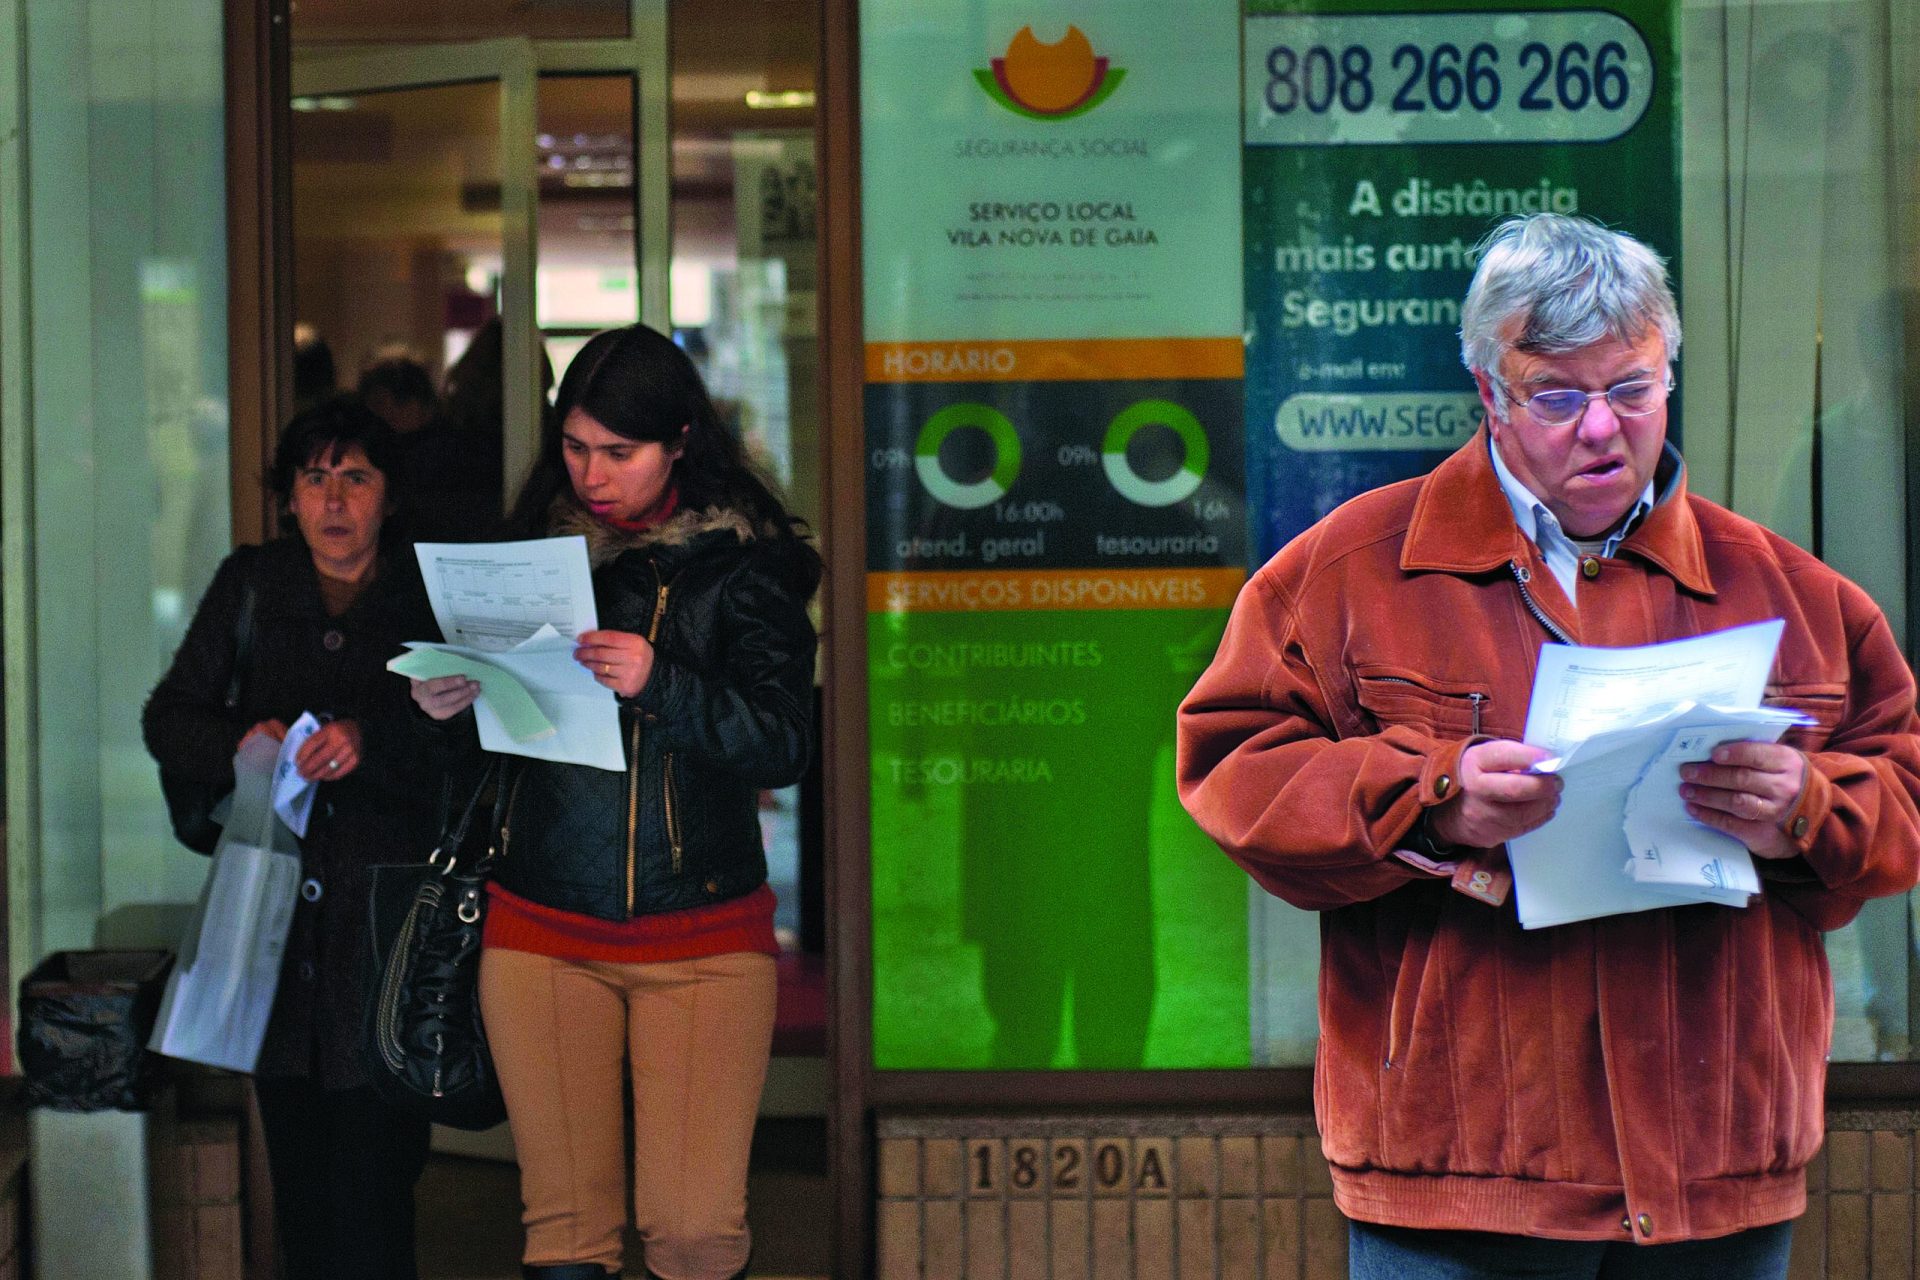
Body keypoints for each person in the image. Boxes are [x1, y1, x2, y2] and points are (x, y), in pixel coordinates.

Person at [1177, 213, 1920, 1279]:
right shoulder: (1347, 572)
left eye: (1632, 389)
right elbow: (1231, 765)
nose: (1602, 429)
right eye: (1558, 396)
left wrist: (1805, 800)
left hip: (1719, 1170)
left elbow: (1903, 791)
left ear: (1670, 374)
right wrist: (1427, 792)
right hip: (1463, 1171)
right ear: (1489, 390)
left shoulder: (1792, 593)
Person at [411, 322, 821, 1280]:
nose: (592, 475)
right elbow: (501, 755)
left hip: (702, 939)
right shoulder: (529, 558)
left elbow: (785, 743)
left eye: (619, 453)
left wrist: (659, 682)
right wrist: (450, 704)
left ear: (680, 442)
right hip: (538, 928)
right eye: (575, 447)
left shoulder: (747, 565)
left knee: (691, 1231)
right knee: (565, 1237)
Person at [144, 396, 445, 1280]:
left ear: (390, 496)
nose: (335, 501)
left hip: (386, 935)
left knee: (382, 1188)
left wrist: (371, 738)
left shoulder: (426, 591)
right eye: (315, 479)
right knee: (303, 1188)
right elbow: (169, 717)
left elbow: (474, 743)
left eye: (356, 477)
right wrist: (239, 742)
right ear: (289, 498)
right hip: (270, 933)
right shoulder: (252, 583)